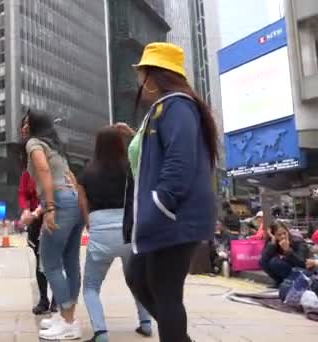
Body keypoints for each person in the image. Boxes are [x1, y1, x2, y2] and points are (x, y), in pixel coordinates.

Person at [118, 43, 219, 342]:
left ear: (155, 74)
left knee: (166, 295)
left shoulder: (177, 106)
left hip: (172, 218)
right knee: (140, 279)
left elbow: (179, 161)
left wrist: (160, 202)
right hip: (162, 219)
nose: (139, 79)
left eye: (142, 72)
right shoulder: (165, 108)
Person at [78, 126, 152, 342]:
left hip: (100, 229)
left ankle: (101, 332)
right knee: (137, 280)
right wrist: (130, 133)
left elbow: (82, 201)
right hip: (130, 230)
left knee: (91, 286)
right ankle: (146, 323)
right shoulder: (130, 168)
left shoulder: (88, 171)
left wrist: (88, 223)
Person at [25, 109, 83, 340]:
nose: (23, 127)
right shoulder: (57, 148)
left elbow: (42, 169)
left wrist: (49, 207)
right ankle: (67, 316)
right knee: (70, 261)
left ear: (35, 126)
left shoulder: (34, 144)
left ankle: (68, 322)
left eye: (26, 123)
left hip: (59, 202)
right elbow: (71, 177)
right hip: (73, 201)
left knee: (49, 261)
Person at [18, 114, 57, 315]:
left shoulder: (49, 154)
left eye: (27, 124)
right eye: (22, 124)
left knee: (55, 259)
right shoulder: (28, 162)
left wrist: (38, 211)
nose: (23, 128)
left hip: (51, 213)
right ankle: (43, 298)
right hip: (35, 217)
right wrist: (26, 209)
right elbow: (23, 192)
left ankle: (58, 299)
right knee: (39, 257)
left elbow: (53, 186)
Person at [259, 221, 309, 287]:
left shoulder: (297, 241)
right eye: (279, 235)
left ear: (287, 232)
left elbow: (302, 263)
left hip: (301, 271)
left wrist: (288, 250)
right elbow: (264, 259)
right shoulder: (273, 242)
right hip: (286, 269)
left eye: (284, 233)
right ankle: (280, 282)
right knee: (263, 261)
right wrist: (273, 242)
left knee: (275, 262)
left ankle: (290, 282)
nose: (283, 236)